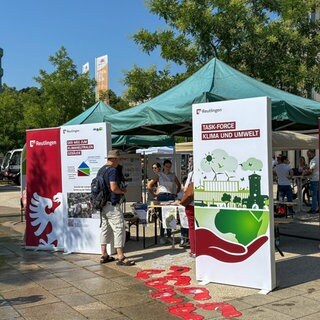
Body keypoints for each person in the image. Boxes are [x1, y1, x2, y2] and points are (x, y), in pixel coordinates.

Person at [99, 149, 135, 266]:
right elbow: (113, 188)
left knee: (105, 228)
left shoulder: (101, 170)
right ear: (114, 159)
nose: (119, 161)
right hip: (112, 205)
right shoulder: (113, 171)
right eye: (118, 159)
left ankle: (104, 254)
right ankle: (121, 256)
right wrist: (122, 191)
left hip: (103, 204)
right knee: (119, 228)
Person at [147, 159, 181, 244]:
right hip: (161, 196)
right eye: (166, 166)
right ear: (164, 166)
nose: (168, 168)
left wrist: (175, 193)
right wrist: (154, 194)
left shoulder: (173, 175)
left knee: (170, 216)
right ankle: (162, 236)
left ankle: (169, 235)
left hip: (170, 196)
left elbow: (179, 185)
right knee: (162, 217)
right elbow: (149, 185)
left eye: (169, 167)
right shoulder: (159, 175)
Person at [183, 164, 195, 258]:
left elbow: (185, 189)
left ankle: (194, 250)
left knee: (191, 227)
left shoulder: (192, 174)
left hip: (191, 204)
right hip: (203, 205)